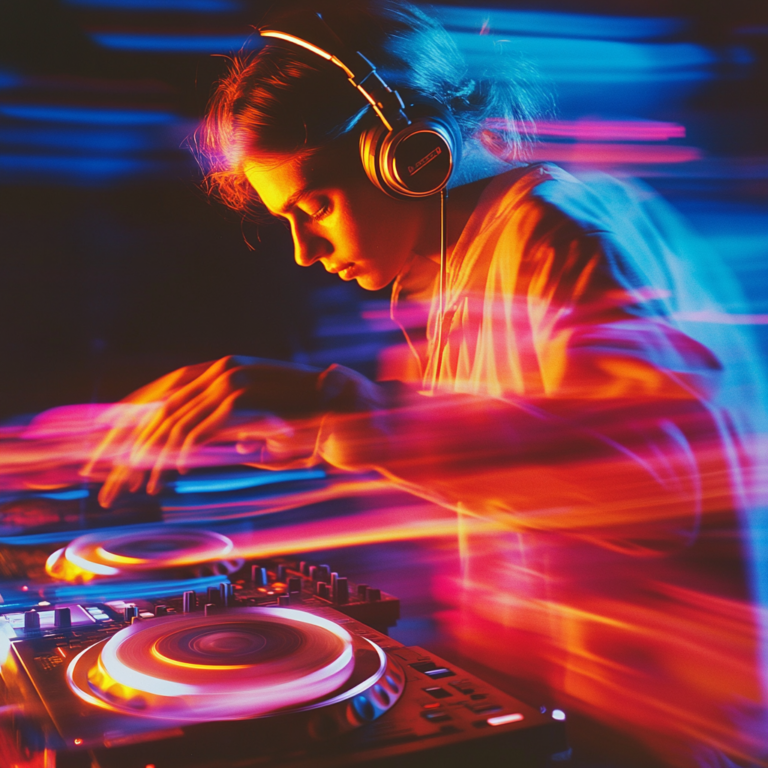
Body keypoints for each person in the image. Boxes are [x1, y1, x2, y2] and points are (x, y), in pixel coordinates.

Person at [84, 1, 767, 765]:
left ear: (410, 155)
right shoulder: (445, 286)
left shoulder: (565, 232)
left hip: (665, 732)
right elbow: (500, 487)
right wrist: (313, 438)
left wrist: (342, 409)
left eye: (315, 206)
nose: (307, 251)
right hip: (562, 711)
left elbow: (655, 485)